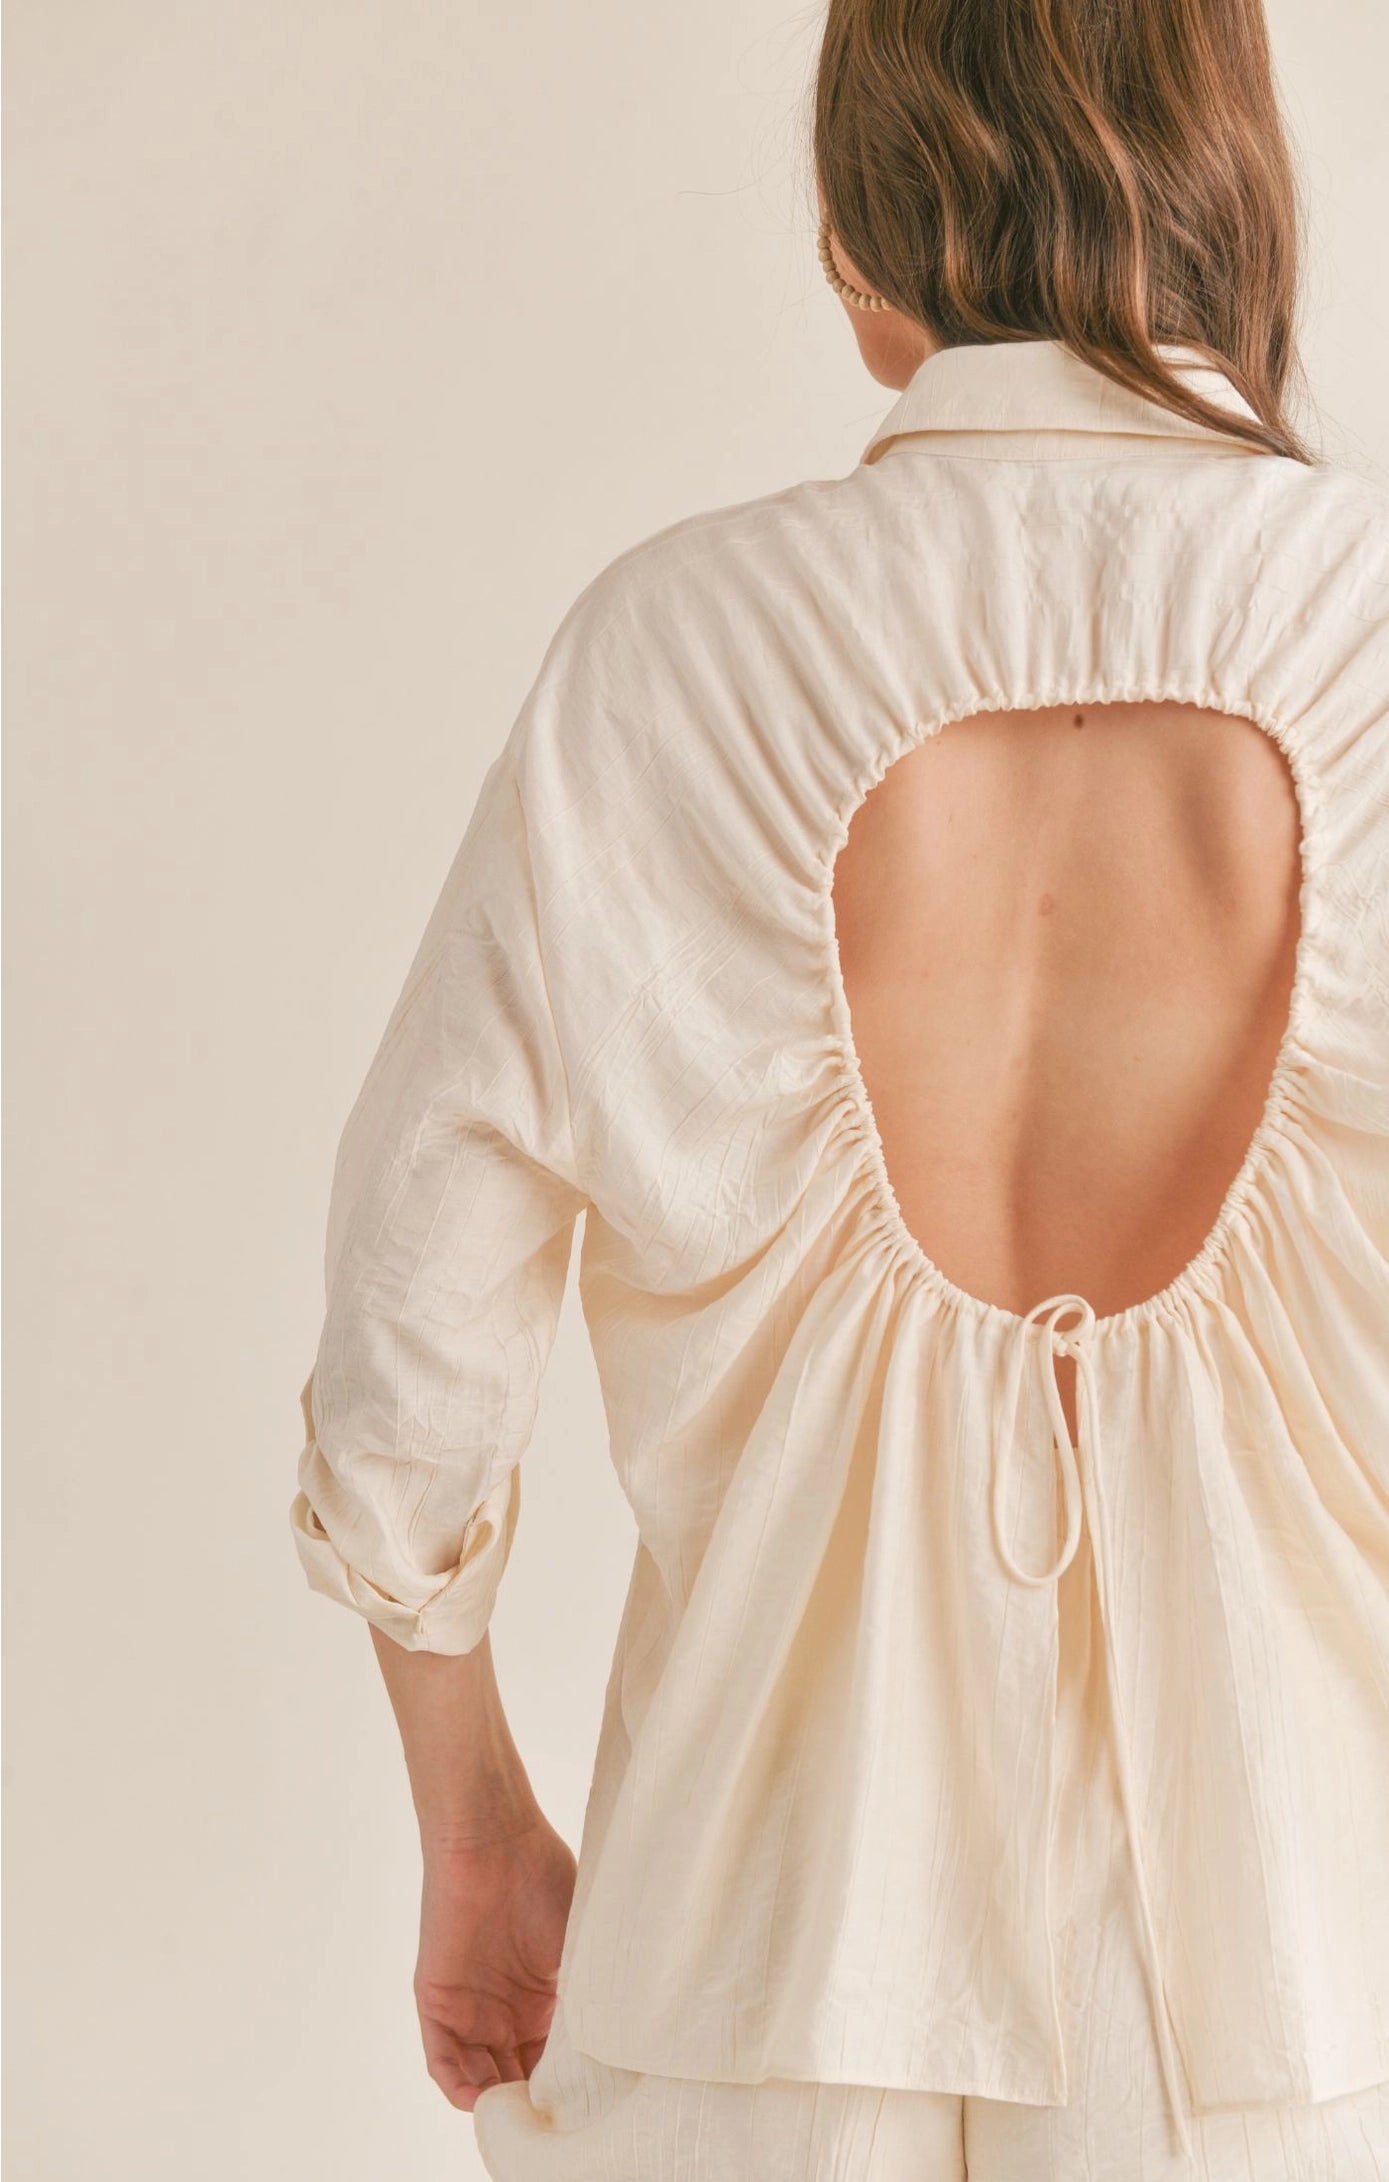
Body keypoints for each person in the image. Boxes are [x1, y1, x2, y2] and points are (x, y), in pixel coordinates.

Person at [288, 0, 1389, 2174]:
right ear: (1230, 183)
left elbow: (414, 1322)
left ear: (854, 222)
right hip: (1308, 1980)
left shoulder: (672, 650)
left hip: (754, 1967)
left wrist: (475, 1824)